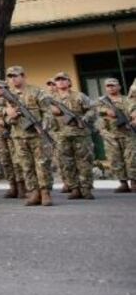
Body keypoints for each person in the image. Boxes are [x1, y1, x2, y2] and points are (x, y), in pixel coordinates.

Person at [4, 66, 55, 207]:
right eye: (10, 76)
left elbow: (48, 113)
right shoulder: (8, 96)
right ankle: (34, 192)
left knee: (42, 164)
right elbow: (5, 119)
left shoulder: (37, 92)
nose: (13, 79)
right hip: (19, 136)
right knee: (26, 166)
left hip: (36, 135)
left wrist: (43, 127)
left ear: (23, 76)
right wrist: (11, 116)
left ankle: (45, 192)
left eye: (16, 75)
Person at [47, 72, 96, 200]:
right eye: (58, 80)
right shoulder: (51, 99)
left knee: (84, 162)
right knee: (66, 163)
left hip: (81, 134)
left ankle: (86, 189)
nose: (61, 82)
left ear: (69, 82)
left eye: (64, 79)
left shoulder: (79, 96)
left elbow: (92, 109)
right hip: (61, 135)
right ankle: (74, 189)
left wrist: (84, 119)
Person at [97, 77, 136, 192]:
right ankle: (123, 183)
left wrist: (134, 120)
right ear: (106, 88)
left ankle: (134, 182)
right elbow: (96, 110)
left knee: (131, 158)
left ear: (119, 87)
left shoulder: (127, 100)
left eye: (113, 85)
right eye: (108, 86)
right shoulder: (101, 101)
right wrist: (106, 111)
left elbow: (133, 110)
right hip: (110, 135)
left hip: (127, 134)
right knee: (115, 159)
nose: (111, 88)